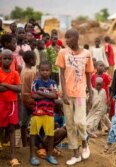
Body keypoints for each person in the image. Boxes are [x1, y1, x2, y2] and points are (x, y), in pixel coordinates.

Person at [55, 28, 93, 165]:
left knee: (80, 122)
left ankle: (84, 143)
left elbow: (88, 74)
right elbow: (61, 75)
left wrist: (91, 92)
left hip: (80, 94)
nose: (66, 41)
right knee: (70, 124)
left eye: (69, 38)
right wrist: (63, 93)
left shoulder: (87, 54)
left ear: (76, 38)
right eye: (65, 38)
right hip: (67, 94)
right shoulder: (62, 53)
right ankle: (75, 153)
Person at [29, 61, 58, 165]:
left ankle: (49, 155)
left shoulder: (53, 83)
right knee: (33, 134)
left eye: (47, 70)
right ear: (39, 70)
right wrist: (48, 94)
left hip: (49, 113)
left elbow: (55, 96)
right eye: (42, 70)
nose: (44, 72)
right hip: (37, 112)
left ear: (50, 71)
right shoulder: (36, 82)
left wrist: (40, 92)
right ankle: (32, 156)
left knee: (50, 135)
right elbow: (33, 96)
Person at [0, 49, 22, 166]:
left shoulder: (15, 73)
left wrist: (4, 84)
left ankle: (13, 156)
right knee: (0, 128)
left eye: (9, 58)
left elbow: (19, 89)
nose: (7, 60)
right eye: (5, 58)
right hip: (1, 103)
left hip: (12, 104)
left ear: (12, 60)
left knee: (12, 129)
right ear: (1, 59)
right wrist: (12, 87)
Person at [20, 51, 36, 147]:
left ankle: (24, 144)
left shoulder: (23, 70)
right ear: (31, 60)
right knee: (37, 121)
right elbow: (34, 88)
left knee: (24, 123)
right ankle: (37, 144)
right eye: (35, 59)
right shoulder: (32, 72)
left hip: (24, 99)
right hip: (31, 100)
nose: (36, 61)